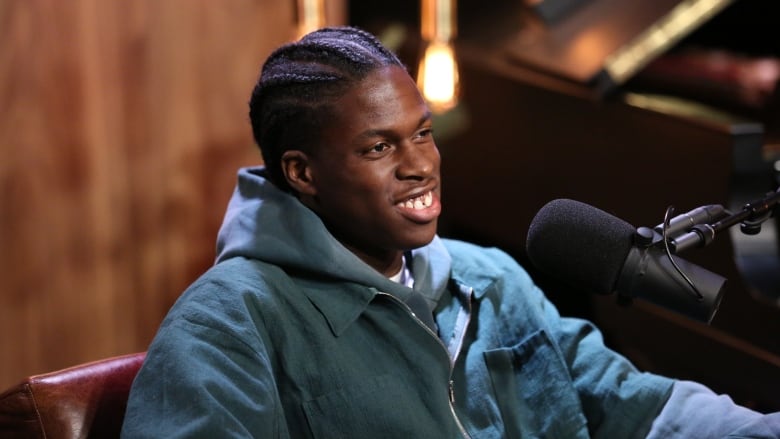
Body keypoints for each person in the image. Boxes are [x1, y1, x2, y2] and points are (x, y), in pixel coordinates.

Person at [121, 26, 780, 438]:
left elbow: (641, 410)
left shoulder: (489, 277)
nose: (420, 165)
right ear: (303, 172)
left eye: (424, 133)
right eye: (379, 148)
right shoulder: (227, 327)